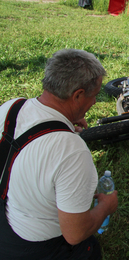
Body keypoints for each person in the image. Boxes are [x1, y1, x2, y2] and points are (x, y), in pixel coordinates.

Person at [0, 49, 118, 259]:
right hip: (34, 249)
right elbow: (75, 233)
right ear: (78, 95)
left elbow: (31, 136)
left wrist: (61, 122)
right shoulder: (73, 152)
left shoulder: (11, 107)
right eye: (95, 95)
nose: (94, 102)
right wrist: (106, 207)